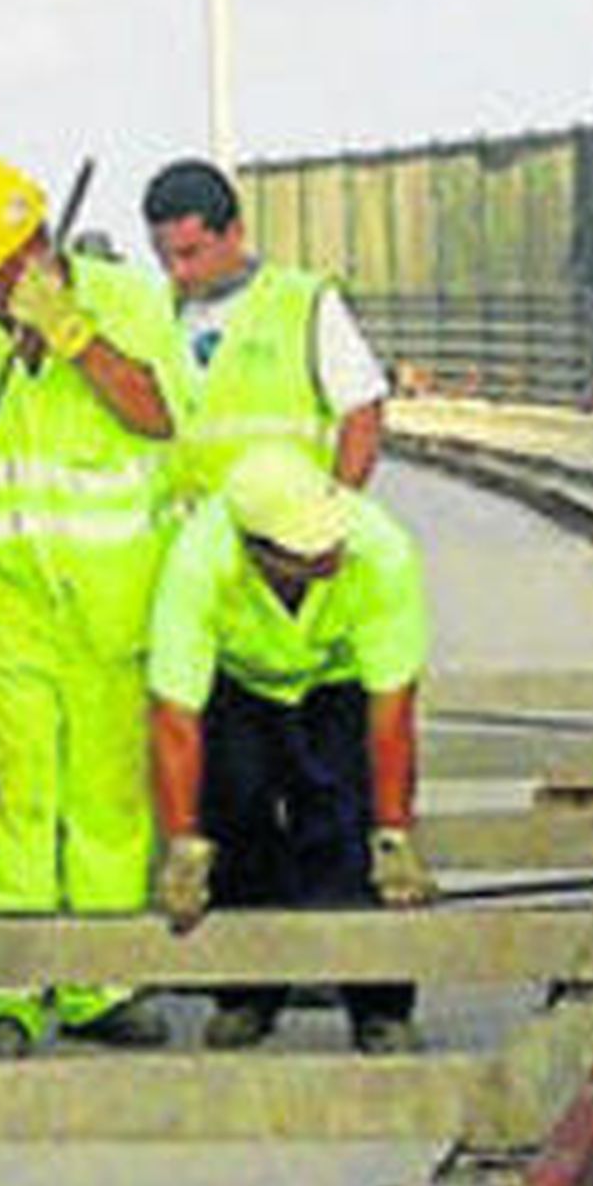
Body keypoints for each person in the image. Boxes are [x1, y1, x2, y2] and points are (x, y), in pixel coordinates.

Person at [0, 155, 187, 1054]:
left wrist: (75, 338)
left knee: (106, 805)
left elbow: (160, 413)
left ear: (33, 250)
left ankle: (102, 984)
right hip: (9, 604)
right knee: (18, 797)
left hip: (114, 603)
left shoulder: (129, 300)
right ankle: (6, 992)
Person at [147, 440, 433, 1054]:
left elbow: (391, 712)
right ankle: (248, 994)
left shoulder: (379, 548)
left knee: (341, 829)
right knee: (238, 819)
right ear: (257, 553)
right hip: (241, 685)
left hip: (336, 684)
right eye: (307, 554)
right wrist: (183, 846)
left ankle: (378, 1006)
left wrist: (394, 832)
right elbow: (175, 717)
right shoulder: (199, 561)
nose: (327, 556)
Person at [140, 157, 388, 498]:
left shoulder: (304, 304)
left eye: (191, 253)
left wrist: (331, 517)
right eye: (163, 258)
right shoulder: (151, 313)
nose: (177, 271)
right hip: (188, 543)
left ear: (235, 233)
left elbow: (362, 413)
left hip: (279, 541)